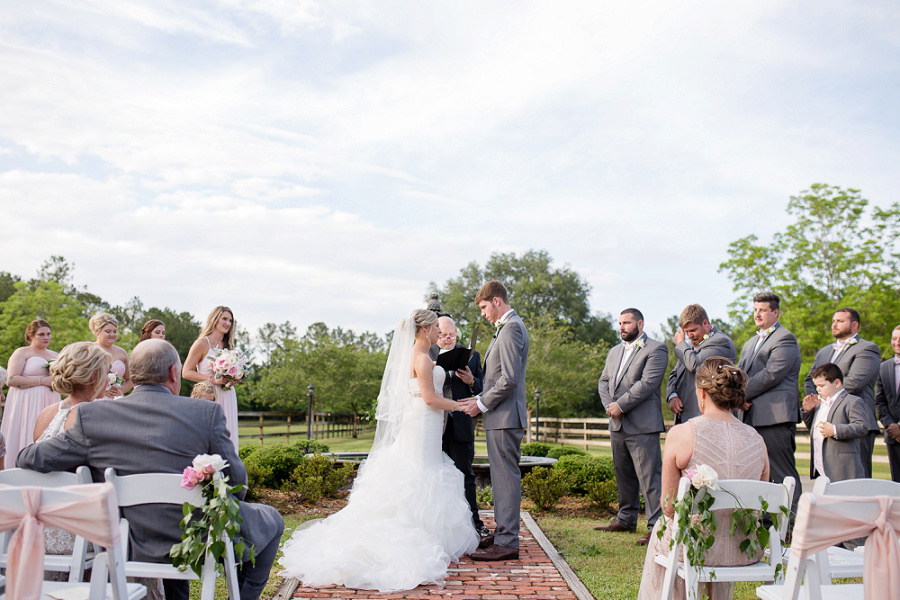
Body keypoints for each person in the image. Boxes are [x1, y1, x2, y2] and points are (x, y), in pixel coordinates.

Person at [17, 339, 284, 600]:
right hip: (198, 541)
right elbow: (237, 482)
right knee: (272, 520)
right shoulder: (206, 413)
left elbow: (30, 458)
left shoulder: (94, 418)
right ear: (172, 374)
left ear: (135, 374)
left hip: (127, 541)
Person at [278, 309, 478, 592]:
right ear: (423, 330)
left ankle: (431, 536)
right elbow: (431, 399)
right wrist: (461, 405)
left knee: (427, 472)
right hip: (422, 423)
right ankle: (410, 534)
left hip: (426, 425)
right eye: (435, 328)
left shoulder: (424, 355)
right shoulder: (420, 357)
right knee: (419, 473)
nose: (438, 332)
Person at [638, 357, 770, 600]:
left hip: (696, 549)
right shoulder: (756, 439)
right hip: (744, 549)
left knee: (666, 527)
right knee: (721, 527)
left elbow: (668, 507)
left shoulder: (682, 433)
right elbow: (757, 504)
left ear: (701, 392)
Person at [460, 280, 530, 562]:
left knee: (505, 481)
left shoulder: (511, 328)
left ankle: (507, 543)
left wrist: (480, 403)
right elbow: (497, 376)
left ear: (497, 301)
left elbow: (509, 379)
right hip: (500, 417)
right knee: (503, 481)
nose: (483, 313)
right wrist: (475, 384)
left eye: (484, 307)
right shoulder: (507, 328)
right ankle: (503, 534)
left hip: (504, 417)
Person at [30, 342, 111, 568]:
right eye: (107, 371)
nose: (110, 378)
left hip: (43, 529)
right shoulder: (94, 414)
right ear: (94, 376)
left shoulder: (44, 415)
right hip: (83, 533)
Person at [595, 308, 668, 546]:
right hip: (617, 423)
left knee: (649, 479)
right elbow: (604, 381)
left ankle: (656, 526)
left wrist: (621, 405)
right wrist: (610, 405)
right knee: (623, 474)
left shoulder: (656, 349)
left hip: (643, 424)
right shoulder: (614, 351)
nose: (622, 327)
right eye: (620, 323)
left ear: (640, 323)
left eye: (627, 323)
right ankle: (625, 519)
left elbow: (647, 384)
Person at [736, 291, 803, 514]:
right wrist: (737, 399)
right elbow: (741, 374)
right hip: (750, 416)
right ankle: (766, 521)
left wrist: (742, 395)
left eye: (763, 310)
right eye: (755, 309)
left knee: (782, 472)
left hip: (775, 416)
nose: (758, 314)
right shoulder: (750, 343)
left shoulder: (785, 338)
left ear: (775, 312)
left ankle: (793, 524)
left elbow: (772, 374)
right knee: (758, 472)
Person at [802, 309, 881, 477]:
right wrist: (816, 397)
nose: (834, 324)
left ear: (855, 325)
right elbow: (810, 380)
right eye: (833, 321)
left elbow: (854, 382)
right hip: (823, 420)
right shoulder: (824, 351)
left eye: (840, 321)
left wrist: (824, 393)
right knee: (826, 479)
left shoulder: (868, 349)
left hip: (852, 420)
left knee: (857, 480)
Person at [435, 315, 488, 538]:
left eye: (451, 334)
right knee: (434, 477)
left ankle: (474, 522)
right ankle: (440, 526)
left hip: (461, 426)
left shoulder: (472, 356)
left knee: (465, 476)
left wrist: (471, 381)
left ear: (457, 333)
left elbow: (485, 389)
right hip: (434, 426)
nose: (448, 339)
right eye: (443, 335)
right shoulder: (427, 354)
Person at [1, 319, 60, 469]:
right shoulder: (22, 352)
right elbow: (11, 379)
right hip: (26, 401)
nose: (46, 337)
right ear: (31, 336)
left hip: (50, 399)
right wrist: (42, 381)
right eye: (41, 334)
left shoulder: (55, 355)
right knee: (27, 431)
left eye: (48, 334)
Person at [183, 306, 240, 451]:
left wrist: (234, 378)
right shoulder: (202, 344)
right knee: (211, 436)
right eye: (224, 319)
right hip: (209, 395)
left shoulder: (229, 346)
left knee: (229, 434)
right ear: (215, 319)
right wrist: (212, 379)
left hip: (228, 394)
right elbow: (186, 372)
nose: (228, 323)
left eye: (230, 321)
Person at [667, 304, 735, 424]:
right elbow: (674, 374)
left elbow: (696, 366)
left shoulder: (720, 341)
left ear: (705, 323)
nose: (690, 336)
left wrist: (680, 344)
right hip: (685, 417)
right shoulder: (689, 349)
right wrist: (672, 396)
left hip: (709, 419)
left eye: (693, 330)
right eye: (686, 332)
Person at [801, 363, 867, 482]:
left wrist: (835, 430)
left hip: (843, 470)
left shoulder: (852, 401)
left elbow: (861, 427)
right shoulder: (820, 404)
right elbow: (815, 429)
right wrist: (808, 411)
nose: (817, 389)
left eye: (821, 385)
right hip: (821, 469)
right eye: (816, 386)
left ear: (837, 383)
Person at [875, 325, 900, 482]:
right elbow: (880, 401)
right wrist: (891, 425)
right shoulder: (884, 367)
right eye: (894, 338)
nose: (897, 342)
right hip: (893, 436)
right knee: (896, 484)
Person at [90, 313, 133, 398]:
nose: (112, 334)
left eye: (115, 331)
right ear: (98, 332)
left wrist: (120, 390)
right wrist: (101, 391)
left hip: (115, 399)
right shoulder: (89, 350)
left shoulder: (122, 353)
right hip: (93, 398)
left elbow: (130, 379)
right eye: (108, 331)